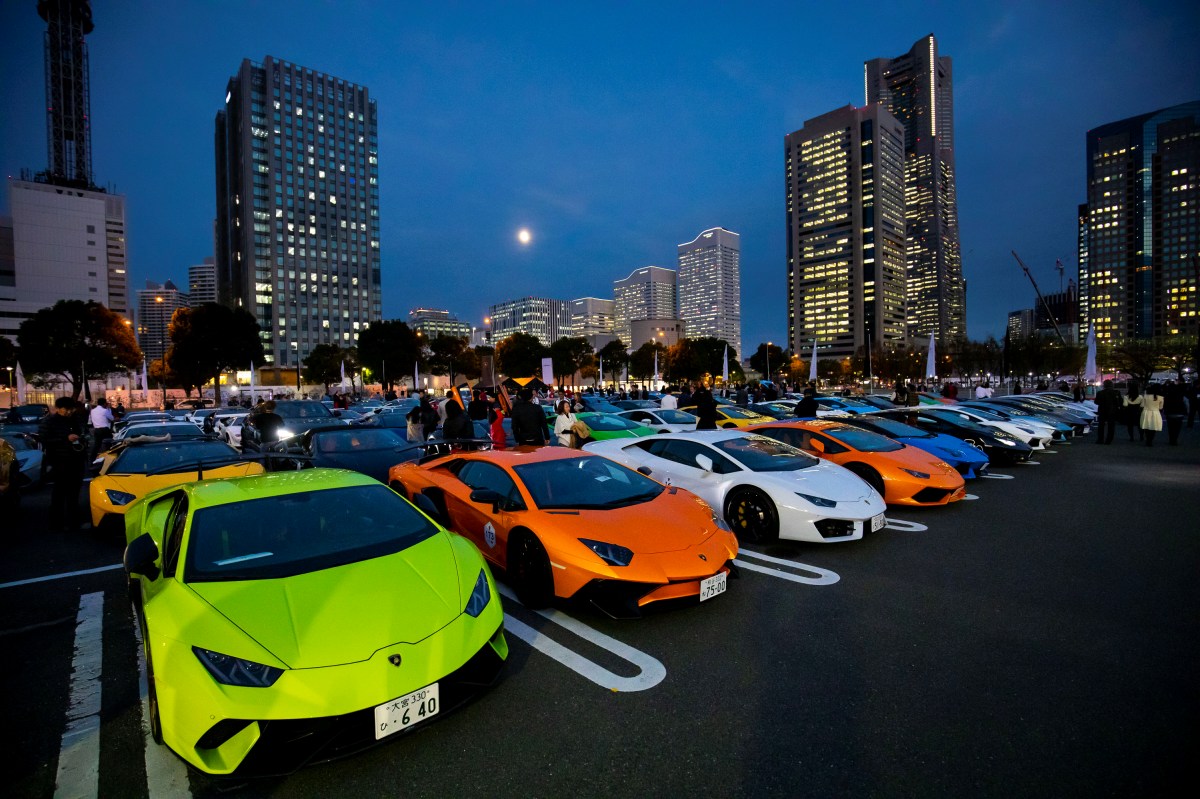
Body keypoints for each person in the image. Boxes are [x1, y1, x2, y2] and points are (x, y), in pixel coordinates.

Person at [39, 397, 86, 531]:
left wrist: (81, 438)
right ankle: (56, 523)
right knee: (59, 493)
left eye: (71, 409)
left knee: (74, 494)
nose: (69, 412)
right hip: (59, 461)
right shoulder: (49, 421)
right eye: (66, 409)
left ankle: (74, 522)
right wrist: (65, 438)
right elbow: (44, 439)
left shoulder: (75, 419)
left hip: (76, 460)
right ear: (58, 409)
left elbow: (83, 433)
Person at [1093, 379, 1122, 445]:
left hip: (1102, 411)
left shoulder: (1100, 393)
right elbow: (1119, 402)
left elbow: (1096, 402)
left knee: (1101, 425)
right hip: (1112, 411)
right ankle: (1108, 440)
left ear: (1104, 385)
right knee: (1111, 426)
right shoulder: (1116, 392)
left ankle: (1100, 439)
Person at [1162, 382, 1187, 446]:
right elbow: (1186, 403)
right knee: (1177, 429)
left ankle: (1171, 439)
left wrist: (1165, 411)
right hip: (1179, 413)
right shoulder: (1181, 396)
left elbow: (1164, 405)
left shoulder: (1167, 396)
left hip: (1170, 414)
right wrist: (1186, 411)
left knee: (1170, 428)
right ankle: (1175, 440)